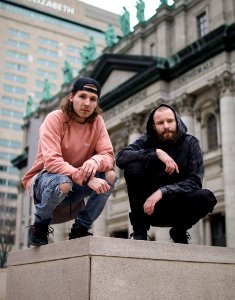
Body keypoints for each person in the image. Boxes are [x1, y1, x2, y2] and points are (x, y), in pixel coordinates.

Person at [22, 77, 116, 246]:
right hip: (46, 181)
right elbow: (52, 163)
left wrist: (95, 161)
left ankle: (80, 227)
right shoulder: (55, 118)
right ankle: (40, 225)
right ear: (71, 97)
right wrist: (88, 178)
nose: (87, 103)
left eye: (93, 99)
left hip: (76, 184)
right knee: (63, 183)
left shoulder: (97, 122)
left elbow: (109, 156)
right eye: (82, 96)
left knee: (110, 177)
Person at [116, 104, 217, 243]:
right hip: (149, 209)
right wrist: (155, 152)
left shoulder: (190, 143)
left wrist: (162, 191)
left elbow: (195, 182)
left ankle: (179, 230)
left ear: (177, 121)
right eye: (160, 123)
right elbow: (121, 157)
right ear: (154, 126)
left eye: (170, 121)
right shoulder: (146, 140)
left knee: (207, 198)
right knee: (132, 167)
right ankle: (139, 230)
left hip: (178, 208)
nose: (166, 126)